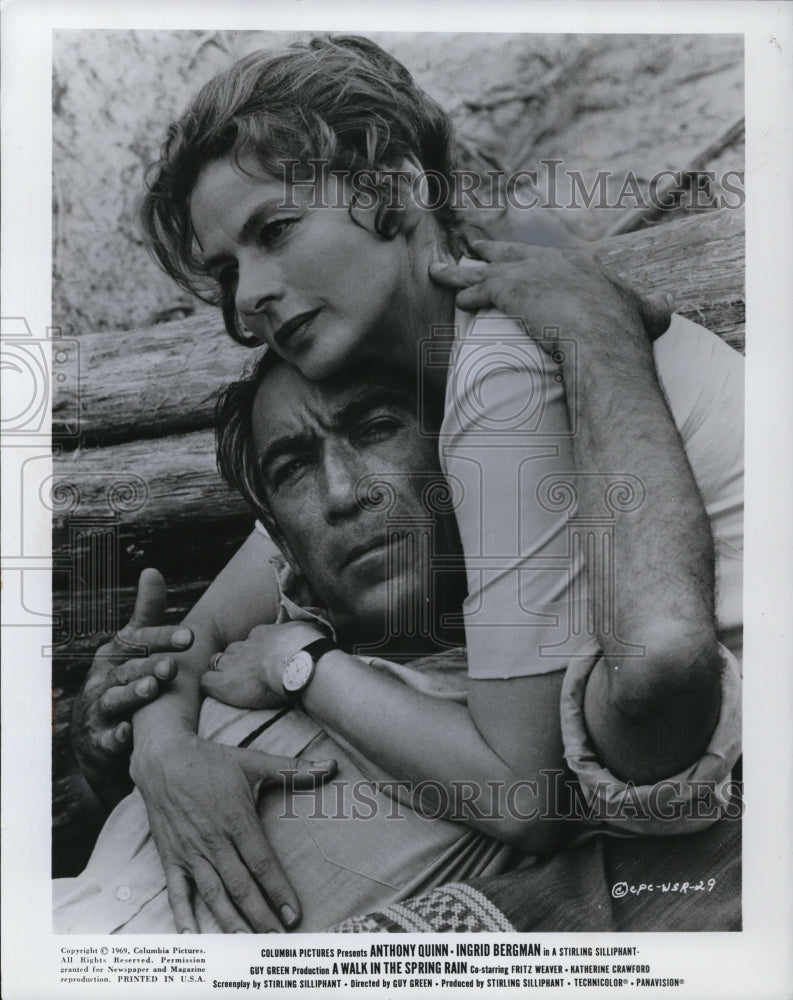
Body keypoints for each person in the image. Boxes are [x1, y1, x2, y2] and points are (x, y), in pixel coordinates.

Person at [77, 34, 742, 932]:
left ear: (395, 189)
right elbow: (194, 638)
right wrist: (165, 756)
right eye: (228, 269)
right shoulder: (414, 368)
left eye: (274, 233)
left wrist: (299, 665)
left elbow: (522, 798)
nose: (247, 300)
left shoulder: (500, 365)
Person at [58, 352, 740, 932]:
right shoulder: (230, 666)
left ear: (463, 462)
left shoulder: (549, 712)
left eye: (376, 429)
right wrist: (123, 762)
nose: (343, 492)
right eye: (293, 468)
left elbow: (549, 785)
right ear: (282, 541)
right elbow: (121, 852)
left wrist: (300, 663)